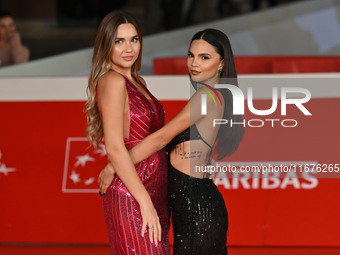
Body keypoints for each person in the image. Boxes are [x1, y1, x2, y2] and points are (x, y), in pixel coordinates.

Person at [98, 28, 243, 254]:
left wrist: (113, 165)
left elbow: (161, 138)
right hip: (189, 205)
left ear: (222, 63)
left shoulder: (207, 96)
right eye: (191, 55)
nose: (194, 63)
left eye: (205, 57)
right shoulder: (212, 94)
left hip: (196, 207)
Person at [85, 11, 170, 254]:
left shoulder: (137, 82)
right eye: (119, 41)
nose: (128, 48)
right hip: (132, 194)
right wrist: (144, 202)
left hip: (154, 190)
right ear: (106, 45)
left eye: (134, 39)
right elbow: (114, 147)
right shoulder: (112, 81)